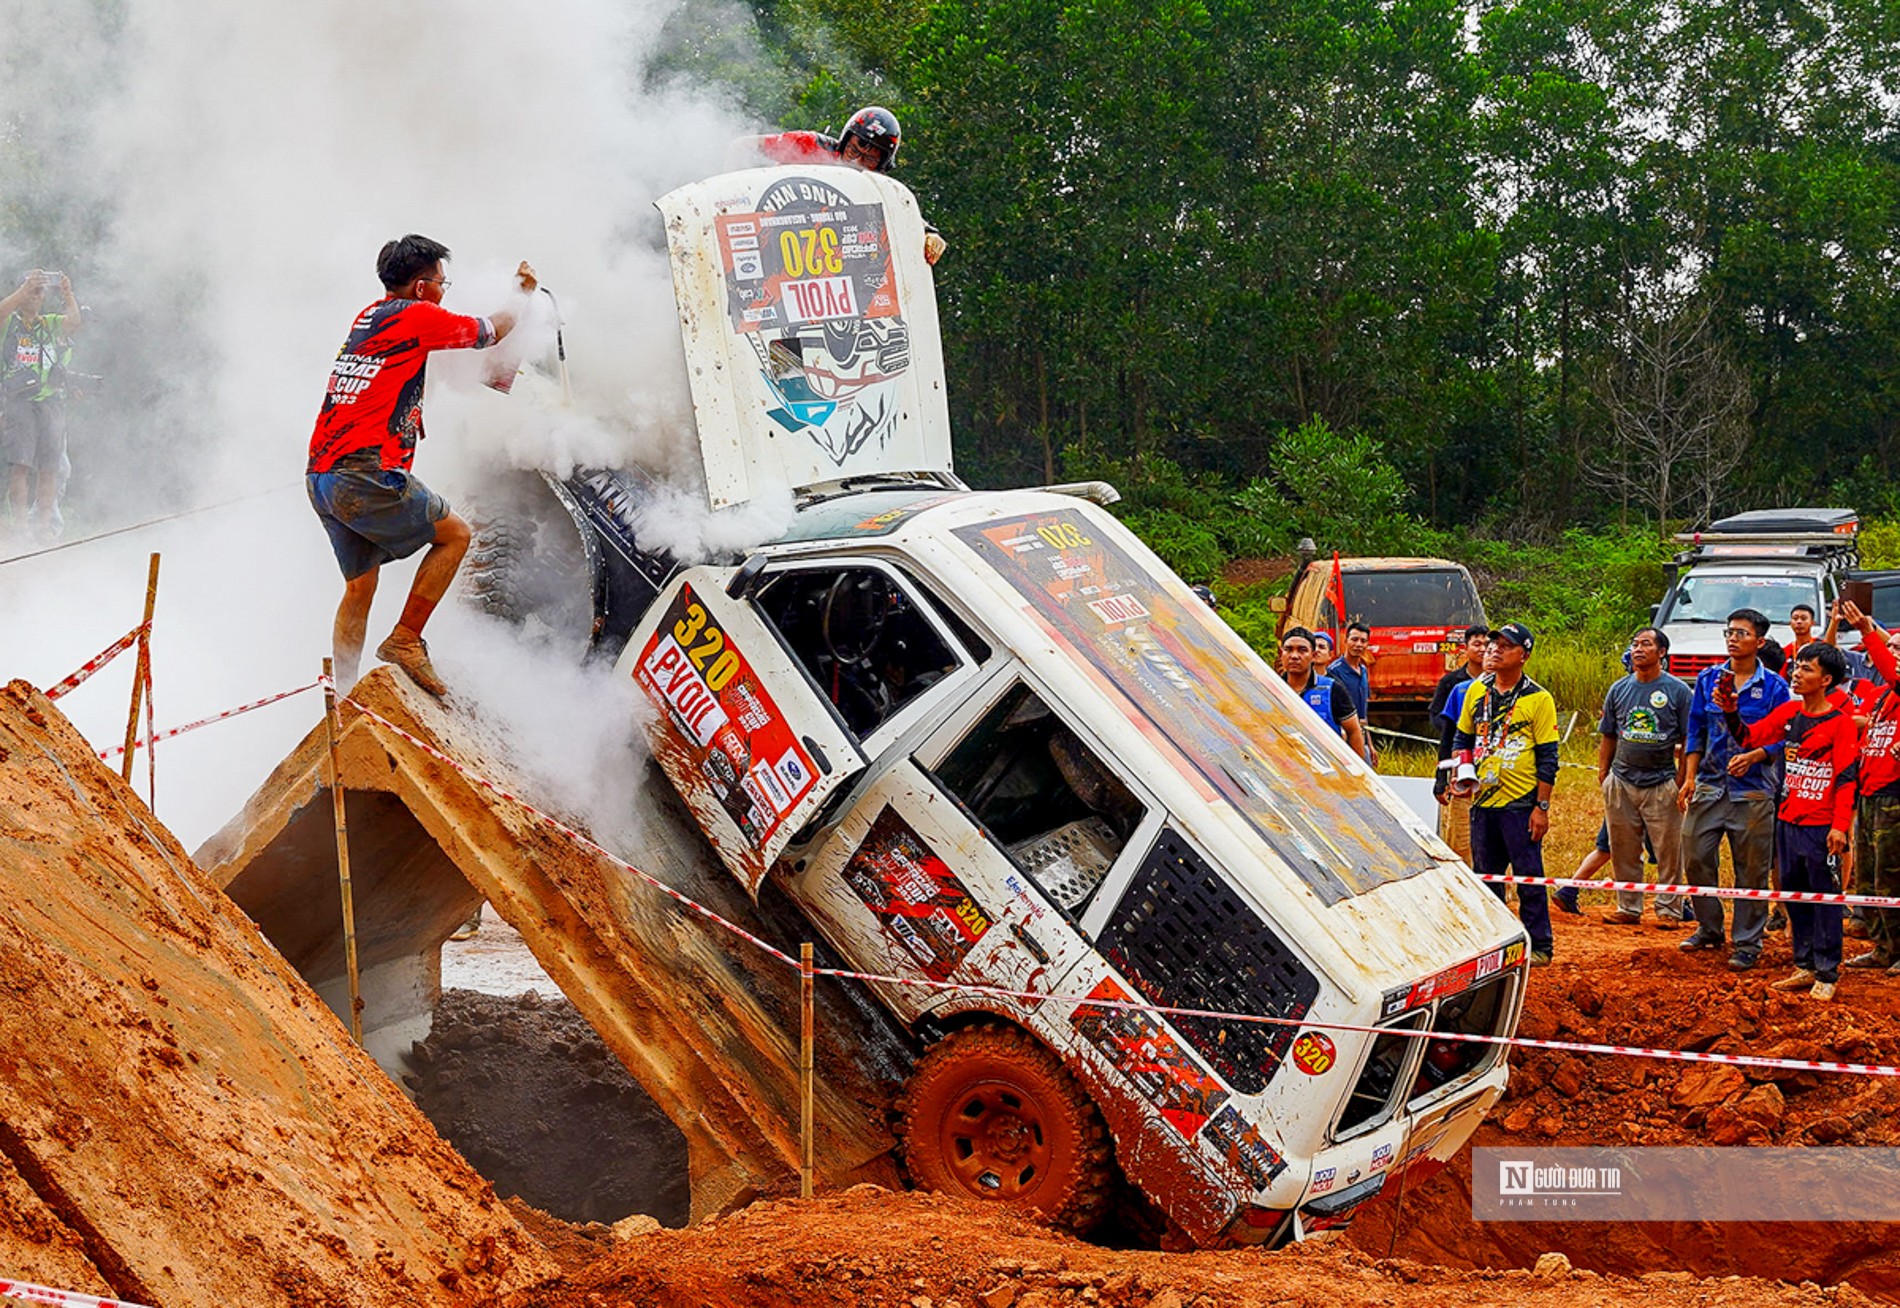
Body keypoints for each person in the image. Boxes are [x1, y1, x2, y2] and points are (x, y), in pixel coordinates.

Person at [308, 235, 538, 696]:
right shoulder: (417, 315)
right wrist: (522, 296)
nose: (443, 291)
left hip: (322, 476)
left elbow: (377, 376)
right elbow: (487, 333)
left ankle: (345, 693)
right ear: (420, 287)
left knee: (359, 587)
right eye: (440, 282)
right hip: (364, 473)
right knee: (456, 535)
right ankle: (405, 640)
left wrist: (408, 417)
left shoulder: (369, 316)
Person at [1718, 642, 1859, 1001]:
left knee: (1824, 899)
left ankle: (1827, 972)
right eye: (1796, 667)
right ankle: (1804, 964)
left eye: (1807, 669)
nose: (1797, 673)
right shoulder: (1790, 713)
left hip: (1820, 826)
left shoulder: (1840, 725)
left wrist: (1840, 825)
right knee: (1793, 894)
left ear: (1826, 680)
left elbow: (1845, 778)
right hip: (1787, 819)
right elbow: (1750, 737)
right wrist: (1732, 712)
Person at [1678, 608, 1789, 970]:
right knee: (1694, 854)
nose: (1733, 638)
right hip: (1709, 785)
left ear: (1759, 642)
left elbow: (1785, 739)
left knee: (1752, 869)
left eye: (1742, 633)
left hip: (1754, 791)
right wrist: (1689, 777)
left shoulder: (1775, 686)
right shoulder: (1709, 679)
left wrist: (1756, 755)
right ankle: (1709, 927)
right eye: (1730, 632)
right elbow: (1695, 731)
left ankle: (1747, 942)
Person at [1452, 622, 1558, 966]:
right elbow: (1461, 739)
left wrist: (1541, 807)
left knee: (1529, 877)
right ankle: (1497, 945)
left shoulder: (1538, 699)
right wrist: (1461, 771)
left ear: (1523, 656)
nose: (1494, 649)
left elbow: (1548, 757)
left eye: (1505, 645)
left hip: (1520, 802)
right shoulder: (1476, 692)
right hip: (1483, 801)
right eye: (1493, 643)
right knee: (1486, 876)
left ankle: (1540, 945)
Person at [730, 107, 947, 265]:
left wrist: (929, 235)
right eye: (854, 151)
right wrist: (733, 201)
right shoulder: (810, 146)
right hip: (771, 242)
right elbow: (743, 146)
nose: (857, 162)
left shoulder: (876, 188)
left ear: (881, 165)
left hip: (824, 265)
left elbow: (901, 211)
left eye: (869, 160)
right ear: (844, 142)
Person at [1597, 628, 1695, 929]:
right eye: (1635, 643)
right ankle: (1628, 906)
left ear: (1661, 652)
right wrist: (1604, 774)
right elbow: (1609, 734)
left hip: (1662, 780)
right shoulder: (1619, 688)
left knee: (1669, 851)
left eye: (1646, 644)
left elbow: (1689, 737)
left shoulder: (1679, 692)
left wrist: (1681, 779)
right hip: (1622, 779)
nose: (1638, 649)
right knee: (1623, 847)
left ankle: (1668, 910)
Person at [0, 270, 82, 545]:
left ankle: (43, 528)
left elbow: (74, 322)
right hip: (19, 400)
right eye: (32, 290)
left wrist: (68, 295)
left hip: (50, 401)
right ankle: (21, 527)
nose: (36, 295)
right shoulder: (10, 323)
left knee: (50, 468)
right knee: (20, 465)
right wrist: (23, 291)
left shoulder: (48, 324)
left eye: (40, 291)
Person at [1430, 625, 1489, 862]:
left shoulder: (1508, 688)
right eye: (1477, 644)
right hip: (1462, 769)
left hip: (1494, 773)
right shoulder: (1454, 685)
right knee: (1460, 836)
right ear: (1465, 648)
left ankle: (1498, 893)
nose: (1483, 650)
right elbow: (1444, 729)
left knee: (1491, 840)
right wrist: (1441, 777)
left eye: (1487, 644)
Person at [1278, 626, 1369, 760]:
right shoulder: (1270, 688)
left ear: (1313, 656)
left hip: (1326, 772)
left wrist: (1357, 775)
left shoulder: (1332, 689)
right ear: (1281, 654)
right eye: (1288, 650)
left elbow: (1354, 731)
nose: (1294, 656)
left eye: (1302, 650)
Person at [1329, 621, 1378, 766]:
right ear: (1346, 641)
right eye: (1354, 639)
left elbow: (1364, 711)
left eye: (1363, 641)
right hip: (1344, 736)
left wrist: (1370, 744)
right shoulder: (1334, 671)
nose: (1358, 644)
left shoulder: (1363, 671)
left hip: (1361, 736)